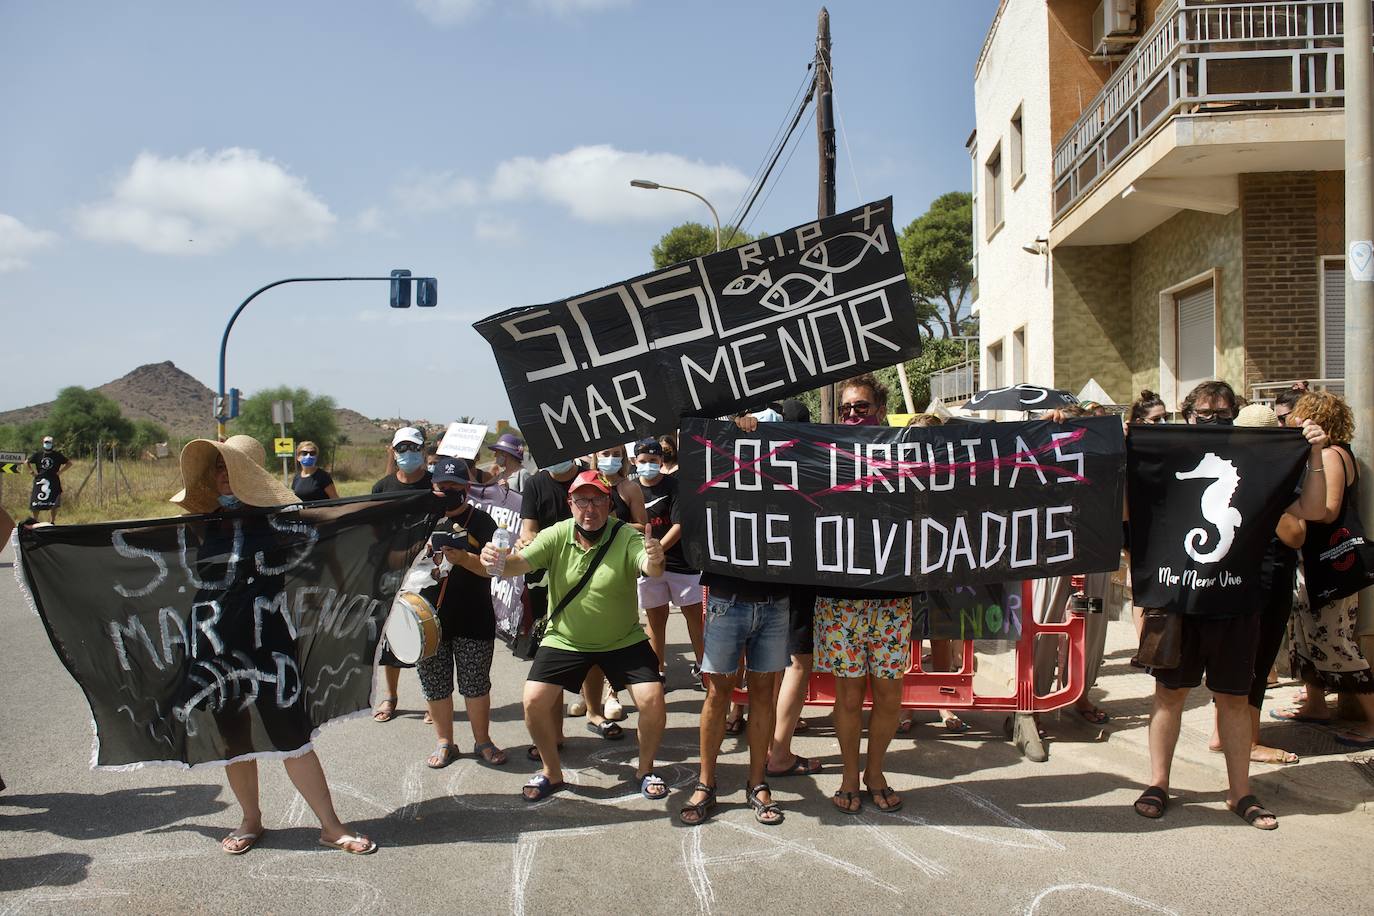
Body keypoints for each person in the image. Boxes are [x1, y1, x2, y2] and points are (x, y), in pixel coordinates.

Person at [1133, 380, 1331, 831]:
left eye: (1225, 414)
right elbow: (1120, 496)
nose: (1215, 421)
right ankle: (1159, 783)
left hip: (1237, 599)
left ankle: (1240, 792)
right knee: (1169, 694)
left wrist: (1316, 453)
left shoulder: (1261, 459)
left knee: (1235, 700)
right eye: (1205, 413)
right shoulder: (1165, 455)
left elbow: (1315, 510)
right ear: (1188, 416)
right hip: (1178, 599)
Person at [170, 435, 375, 855]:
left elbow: (343, 523)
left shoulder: (282, 521)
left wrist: (416, 505)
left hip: (269, 645)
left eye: (232, 470)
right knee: (234, 741)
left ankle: (330, 826)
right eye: (219, 470)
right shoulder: (203, 522)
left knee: (291, 735)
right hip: (215, 643)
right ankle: (251, 820)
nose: (224, 479)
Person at [484, 470, 669, 803]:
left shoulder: (625, 534)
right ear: (570, 503)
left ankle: (646, 768)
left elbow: (649, 567)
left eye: (597, 499)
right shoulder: (556, 533)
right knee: (534, 701)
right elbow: (518, 564)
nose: (590, 508)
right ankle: (551, 771)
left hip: (623, 638)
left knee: (653, 699)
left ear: (609, 503)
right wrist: (497, 562)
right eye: (582, 500)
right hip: (565, 639)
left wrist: (656, 559)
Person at [813, 374, 911, 815]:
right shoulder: (819, 455)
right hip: (840, 600)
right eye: (846, 408)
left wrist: (1047, 426)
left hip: (892, 599)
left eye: (861, 407)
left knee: (890, 696)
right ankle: (850, 775)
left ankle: (875, 771)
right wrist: (746, 430)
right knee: (848, 696)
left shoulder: (905, 454)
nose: (853, 415)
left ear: (879, 409)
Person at [1205, 404, 1304, 765]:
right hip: (1257, 577)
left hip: (1241, 574)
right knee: (1252, 660)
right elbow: (1295, 535)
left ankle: (1225, 734)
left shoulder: (1237, 470)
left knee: (1240, 659)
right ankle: (1248, 741)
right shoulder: (1266, 474)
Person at [1277, 391, 1374, 747]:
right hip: (1315, 561)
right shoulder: (1336, 453)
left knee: (1335, 640)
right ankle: (1315, 704)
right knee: (1306, 636)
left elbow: (1329, 511)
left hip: (1331, 562)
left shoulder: (1332, 455)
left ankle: (1372, 719)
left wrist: (1286, 504)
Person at [419, 459, 507, 768]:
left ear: (467, 489)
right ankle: (445, 742)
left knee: (475, 683)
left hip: (474, 616)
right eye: (442, 488)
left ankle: (483, 740)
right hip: (428, 618)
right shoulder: (420, 521)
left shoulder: (483, 523)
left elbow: (493, 570)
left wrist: (463, 558)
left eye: (455, 489)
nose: (448, 494)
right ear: (433, 488)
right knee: (435, 683)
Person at [896, 413, 970, 737]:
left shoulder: (952, 476)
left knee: (941, 637)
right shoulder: (898, 473)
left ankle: (944, 702)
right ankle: (905, 705)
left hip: (942, 565)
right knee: (903, 640)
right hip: (904, 567)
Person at [371, 427, 433, 723]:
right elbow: (373, 533)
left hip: (430, 574)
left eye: (412, 448)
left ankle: (433, 699)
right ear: (393, 452)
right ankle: (391, 697)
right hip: (392, 575)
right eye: (401, 448)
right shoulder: (382, 488)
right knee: (392, 638)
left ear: (423, 450)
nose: (406, 454)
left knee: (428, 636)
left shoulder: (436, 487)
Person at [583, 445, 647, 727]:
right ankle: (588, 697)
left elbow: (643, 528)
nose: (610, 459)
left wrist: (610, 525)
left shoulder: (630, 488)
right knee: (588, 629)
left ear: (623, 458)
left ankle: (612, 694)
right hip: (586, 567)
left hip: (618, 567)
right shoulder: (585, 482)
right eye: (604, 453)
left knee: (615, 630)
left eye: (615, 454)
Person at [633, 439, 704, 682]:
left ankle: (703, 666)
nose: (648, 465)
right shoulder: (632, 489)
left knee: (694, 617)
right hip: (648, 569)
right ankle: (658, 670)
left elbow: (680, 525)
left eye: (653, 461)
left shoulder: (676, 486)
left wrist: (658, 551)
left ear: (661, 462)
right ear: (634, 462)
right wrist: (649, 559)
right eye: (643, 461)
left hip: (682, 564)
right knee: (655, 620)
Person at [27, 435, 70, 524]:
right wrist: (31, 471)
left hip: (53, 480)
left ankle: (52, 521)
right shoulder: (38, 454)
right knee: (36, 502)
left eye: (49, 442)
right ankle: (35, 520)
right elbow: (27, 462)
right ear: (43, 443)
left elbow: (69, 463)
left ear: (52, 443)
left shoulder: (57, 455)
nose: (47, 444)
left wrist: (60, 472)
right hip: (40, 479)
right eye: (46, 442)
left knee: (54, 502)